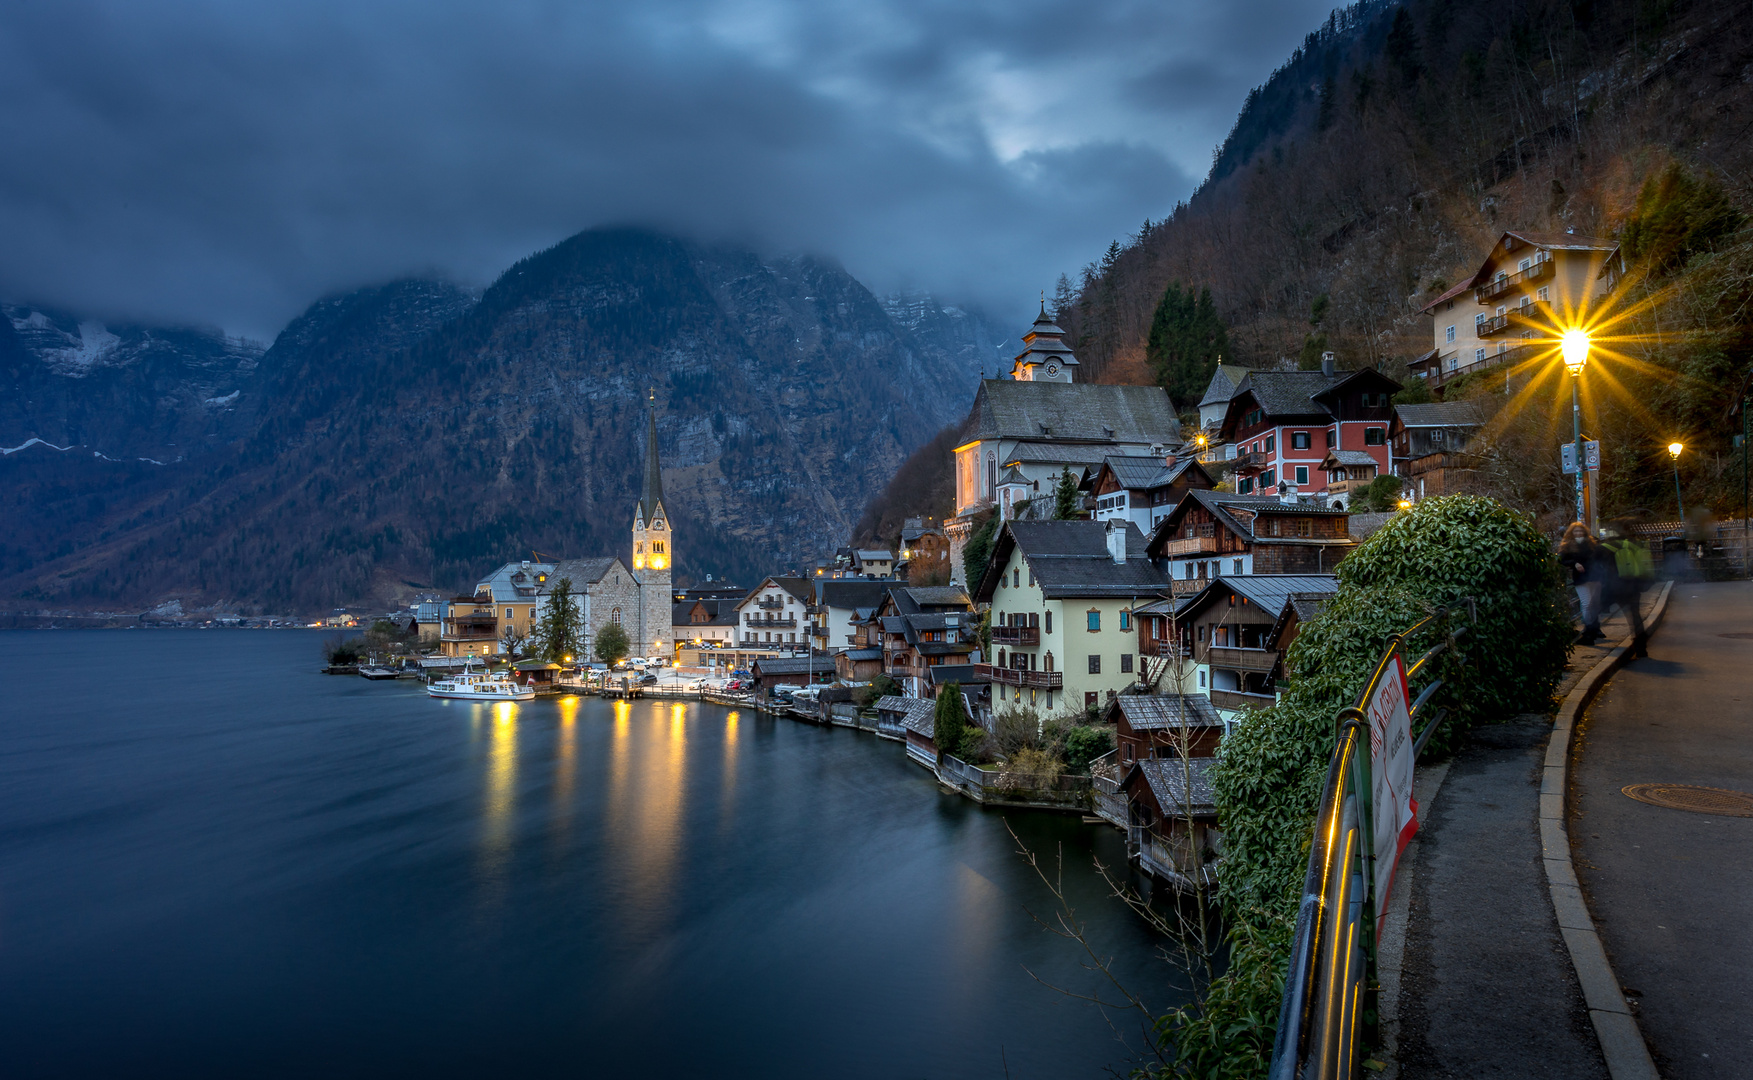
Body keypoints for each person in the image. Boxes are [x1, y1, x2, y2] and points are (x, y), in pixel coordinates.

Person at [1599, 521, 1653, 658]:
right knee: (1635, 616)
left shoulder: (1605, 547)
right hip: (1634, 585)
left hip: (1615, 587)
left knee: (1594, 609)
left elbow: (1596, 564)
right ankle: (1641, 647)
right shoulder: (1633, 544)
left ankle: (1589, 632)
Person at [1558, 522, 1605, 644]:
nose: (1578, 533)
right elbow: (1562, 559)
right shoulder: (1568, 545)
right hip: (1581, 578)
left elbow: (1600, 558)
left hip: (1594, 577)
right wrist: (1574, 563)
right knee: (1587, 603)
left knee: (1594, 604)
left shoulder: (1591, 543)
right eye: (1576, 531)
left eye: (1580, 531)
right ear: (1571, 533)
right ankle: (1589, 631)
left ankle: (1591, 630)